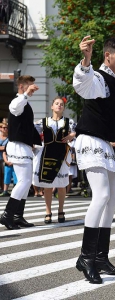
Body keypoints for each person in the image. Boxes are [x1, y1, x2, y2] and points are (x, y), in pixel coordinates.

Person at [72, 36, 115, 284]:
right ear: (108, 56)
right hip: (92, 141)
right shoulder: (98, 77)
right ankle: (86, 257)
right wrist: (86, 60)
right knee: (102, 195)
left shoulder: (113, 80)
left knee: (113, 198)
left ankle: (100, 256)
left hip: (104, 143)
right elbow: (83, 84)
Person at [0, 75, 41, 230]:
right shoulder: (18, 101)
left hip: (23, 146)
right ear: (22, 86)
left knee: (25, 182)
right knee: (23, 182)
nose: (33, 89)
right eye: (30, 85)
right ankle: (7, 215)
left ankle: (17, 216)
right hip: (17, 146)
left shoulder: (25, 102)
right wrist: (25, 94)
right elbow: (14, 108)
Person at [32, 97, 76, 224]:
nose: (59, 106)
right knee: (47, 184)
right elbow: (32, 132)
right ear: (52, 107)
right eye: (57, 104)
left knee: (62, 184)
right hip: (47, 153)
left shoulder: (69, 121)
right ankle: (48, 211)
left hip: (62, 153)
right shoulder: (44, 122)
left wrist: (72, 135)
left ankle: (61, 210)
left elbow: (78, 131)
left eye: (61, 104)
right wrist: (33, 144)